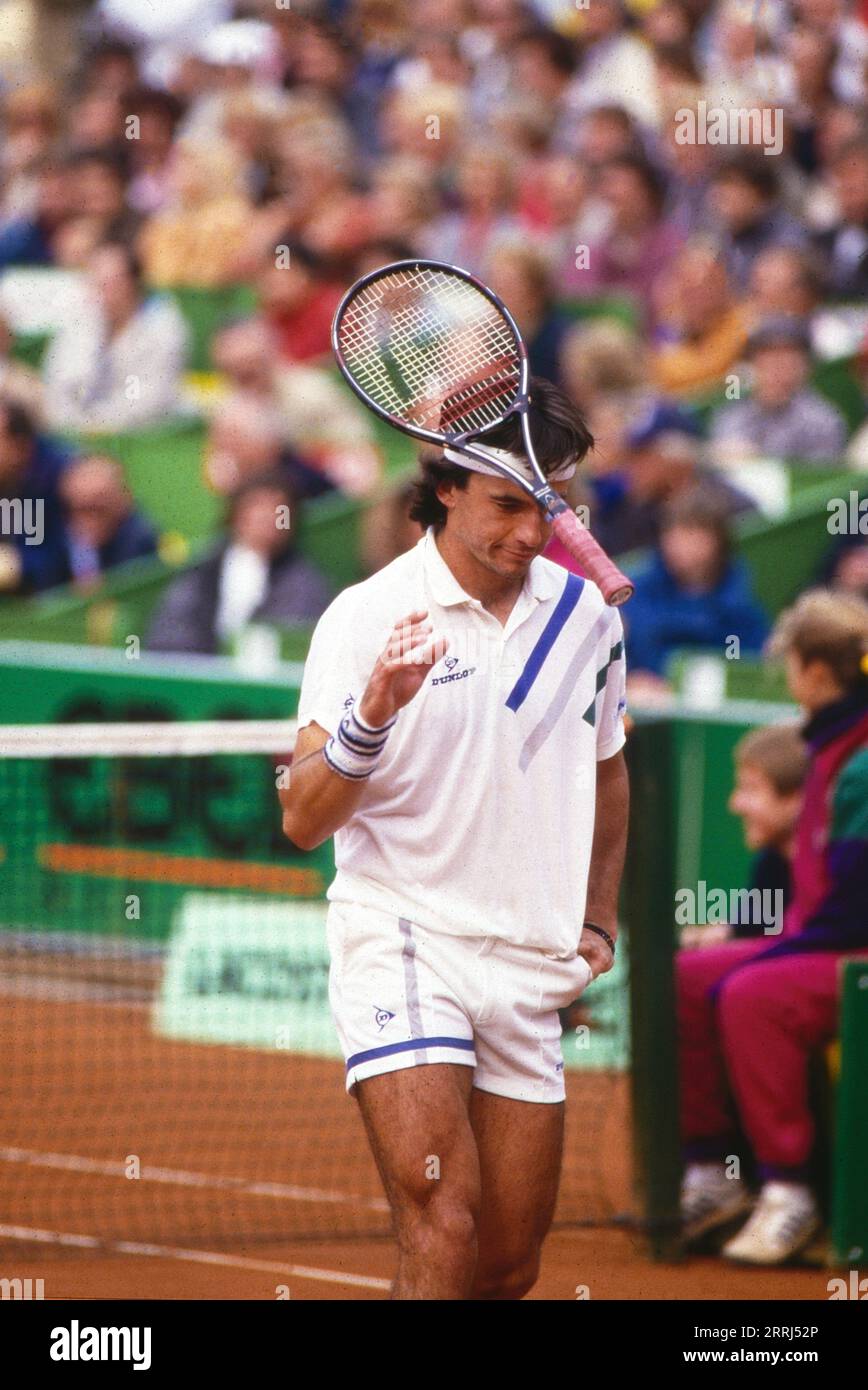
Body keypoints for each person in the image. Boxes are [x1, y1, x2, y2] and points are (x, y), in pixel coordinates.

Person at [279, 378, 629, 1300]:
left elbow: (609, 768)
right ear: (446, 487)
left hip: (531, 960)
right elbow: (303, 817)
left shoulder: (589, 618)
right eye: (506, 506)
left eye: (544, 507)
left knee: (506, 1267)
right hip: (403, 939)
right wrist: (372, 714)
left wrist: (598, 919)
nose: (528, 532)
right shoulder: (364, 615)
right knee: (442, 1220)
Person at [677, 589, 868, 1264]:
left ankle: (790, 1191)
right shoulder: (831, 742)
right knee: (691, 974)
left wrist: (769, 950)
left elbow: (854, 908)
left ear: (816, 672)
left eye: (791, 664)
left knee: (754, 994)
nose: (788, 676)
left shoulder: (860, 757)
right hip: (831, 942)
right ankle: (712, 1175)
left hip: (854, 952)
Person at [147, 472, 333, 654]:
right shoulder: (203, 571)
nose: (266, 519)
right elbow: (170, 635)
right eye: (256, 508)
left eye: (278, 511)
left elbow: (291, 643)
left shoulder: (303, 584)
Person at [679, 723, 808, 950]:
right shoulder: (773, 862)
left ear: (796, 798)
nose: (735, 804)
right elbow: (748, 928)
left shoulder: (831, 868)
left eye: (750, 789)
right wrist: (717, 935)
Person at [624, 491, 769, 688]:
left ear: (717, 540)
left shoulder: (740, 607)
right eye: (671, 532)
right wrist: (630, 681)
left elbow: (748, 671)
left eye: (691, 532)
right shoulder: (635, 593)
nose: (678, 544)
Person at [42, 242, 189, 433]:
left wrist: (99, 421)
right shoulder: (82, 318)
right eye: (94, 281)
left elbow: (147, 396)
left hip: (144, 432)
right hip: (77, 425)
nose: (99, 292)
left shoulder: (163, 326)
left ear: (132, 284)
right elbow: (59, 379)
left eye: (109, 283)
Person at [709, 317, 847, 465]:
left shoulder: (823, 421)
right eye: (769, 358)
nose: (778, 368)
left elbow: (820, 477)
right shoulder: (732, 415)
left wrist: (758, 459)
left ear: (806, 366)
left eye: (789, 359)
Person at [0, 400, 73, 594]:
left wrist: (16, 566)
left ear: (20, 445)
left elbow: (65, 562)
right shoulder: (6, 478)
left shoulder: (64, 478)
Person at [60, 454, 158, 585]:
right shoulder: (66, 540)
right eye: (79, 510)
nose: (87, 521)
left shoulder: (140, 540)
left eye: (97, 509)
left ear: (122, 500)